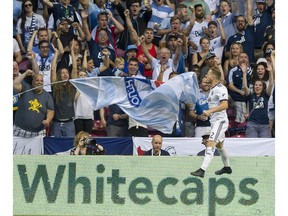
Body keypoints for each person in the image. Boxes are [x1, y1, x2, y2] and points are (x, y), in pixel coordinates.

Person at [190, 66, 232, 178]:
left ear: (213, 77)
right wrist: (207, 113)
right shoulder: (212, 89)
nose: (206, 76)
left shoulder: (220, 88)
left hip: (220, 122)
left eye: (208, 74)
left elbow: (225, 105)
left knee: (210, 143)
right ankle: (227, 167)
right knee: (220, 146)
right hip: (214, 122)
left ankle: (202, 170)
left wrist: (209, 111)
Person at [13, 69, 54, 138]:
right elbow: (14, 85)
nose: (39, 82)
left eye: (41, 81)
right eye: (37, 80)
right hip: (19, 130)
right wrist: (25, 74)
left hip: (38, 133)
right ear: (32, 82)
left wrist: (48, 120)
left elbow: (50, 110)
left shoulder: (47, 96)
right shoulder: (26, 87)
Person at [242, 51, 274, 138]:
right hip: (252, 124)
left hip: (265, 125)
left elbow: (271, 84)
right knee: (251, 147)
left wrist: (270, 72)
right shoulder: (250, 95)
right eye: (256, 85)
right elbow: (245, 87)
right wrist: (244, 73)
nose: (258, 87)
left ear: (263, 87)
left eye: (260, 85)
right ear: (253, 86)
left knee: (265, 148)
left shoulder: (266, 95)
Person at [228, 52, 252, 124]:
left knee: (241, 119)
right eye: (241, 57)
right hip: (234, 96)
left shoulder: (252, 70)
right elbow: (230, 85)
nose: (243, 59)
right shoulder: (233, 70)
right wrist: (240, 91)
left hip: (245, 98)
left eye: (245, 57)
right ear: (238, 59)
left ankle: (239, 131)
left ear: (248, 59)